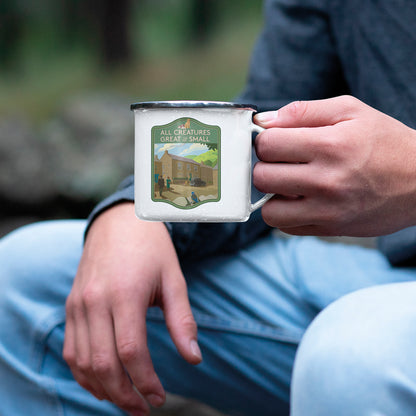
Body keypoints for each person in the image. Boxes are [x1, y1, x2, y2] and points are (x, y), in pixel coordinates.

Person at [1, 1, 416, 415]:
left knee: (352, 356)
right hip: (378, 276)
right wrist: (141, 210)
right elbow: (264, 122)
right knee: (26, 275)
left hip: (366, 325)